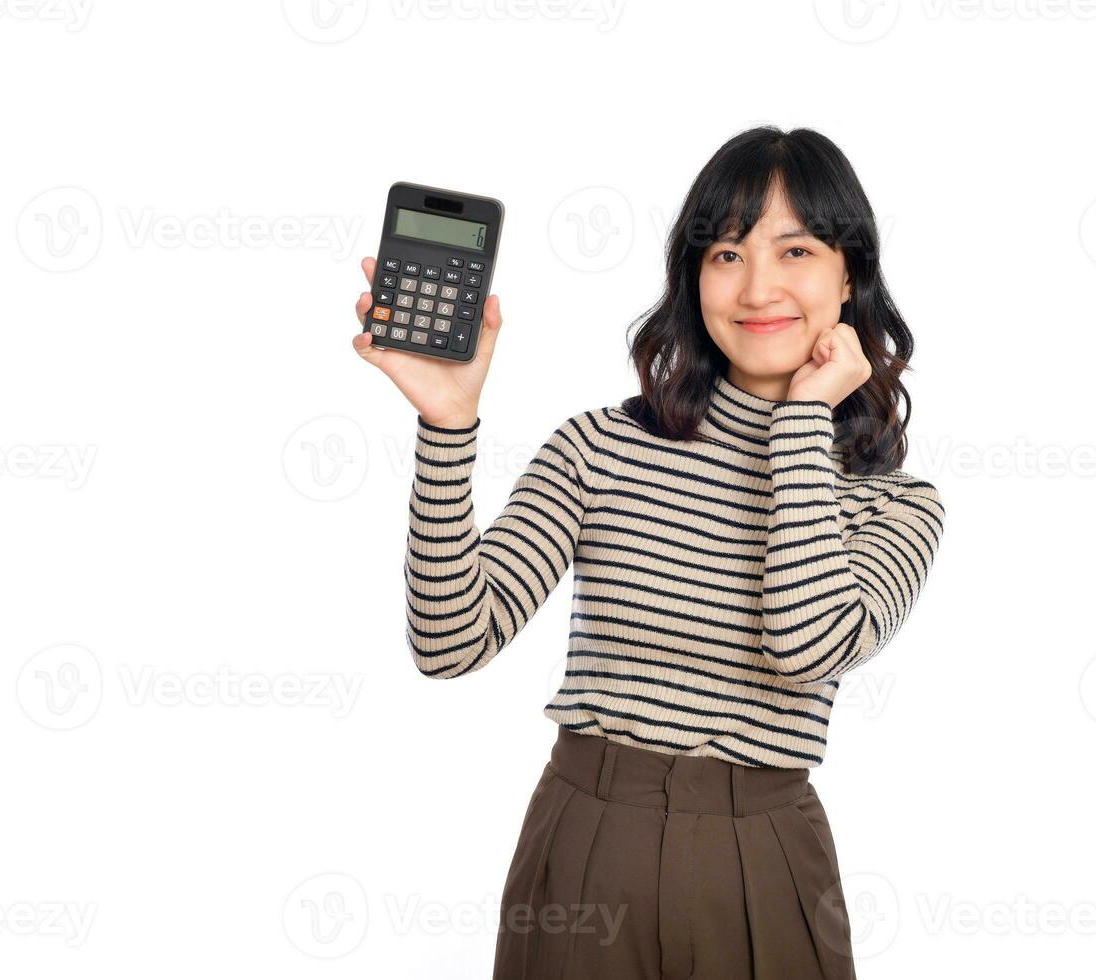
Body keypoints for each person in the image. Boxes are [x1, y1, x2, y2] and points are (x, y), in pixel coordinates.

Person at [351, 125, 945, 980]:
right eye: (727, 253)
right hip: (586, 847)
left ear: (847, 274)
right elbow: (449, 644)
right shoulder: (600, 447)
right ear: (694, 276)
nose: (759, 285)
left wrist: (803, 422)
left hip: (766, 861)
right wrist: (448, 428)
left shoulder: (895, 504)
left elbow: (805, 646)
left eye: (796, 250)